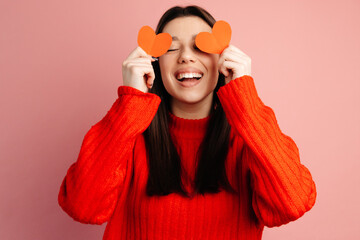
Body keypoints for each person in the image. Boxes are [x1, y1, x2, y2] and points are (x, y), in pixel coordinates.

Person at [58, 5, 317, 240]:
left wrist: (244, 100)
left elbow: (291, 205)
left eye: (201, 46)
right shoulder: (129, 136)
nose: (185, 57)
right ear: (155, 63)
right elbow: (83, 207)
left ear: (222, 60)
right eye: (170, 48)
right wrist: (131, 104)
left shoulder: (247, 140)